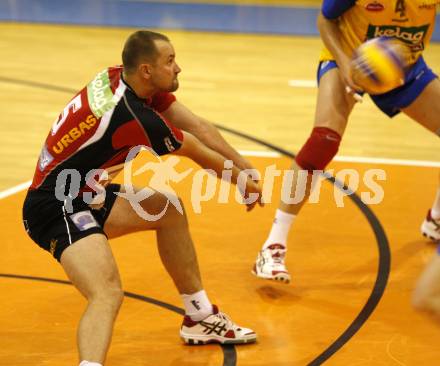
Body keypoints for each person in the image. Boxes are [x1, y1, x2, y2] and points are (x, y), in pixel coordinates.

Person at [22, 30, 263, 366]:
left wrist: (243, 165)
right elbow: (192, 148)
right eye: (170, 61)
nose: (178, 68)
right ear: (147, 69)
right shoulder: (132, 115)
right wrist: (241, 181)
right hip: (55, 206)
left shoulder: (120, 78)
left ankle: (199, 318)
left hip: (85, 192)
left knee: (169, 210)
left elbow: (196, 125)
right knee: (106, 294)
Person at [252, 0, 440, 315]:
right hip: (350, 58)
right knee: (323, 141)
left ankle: (436, 217)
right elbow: (325, 20)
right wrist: (345, 63)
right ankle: (273, 246)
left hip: (402, 67)